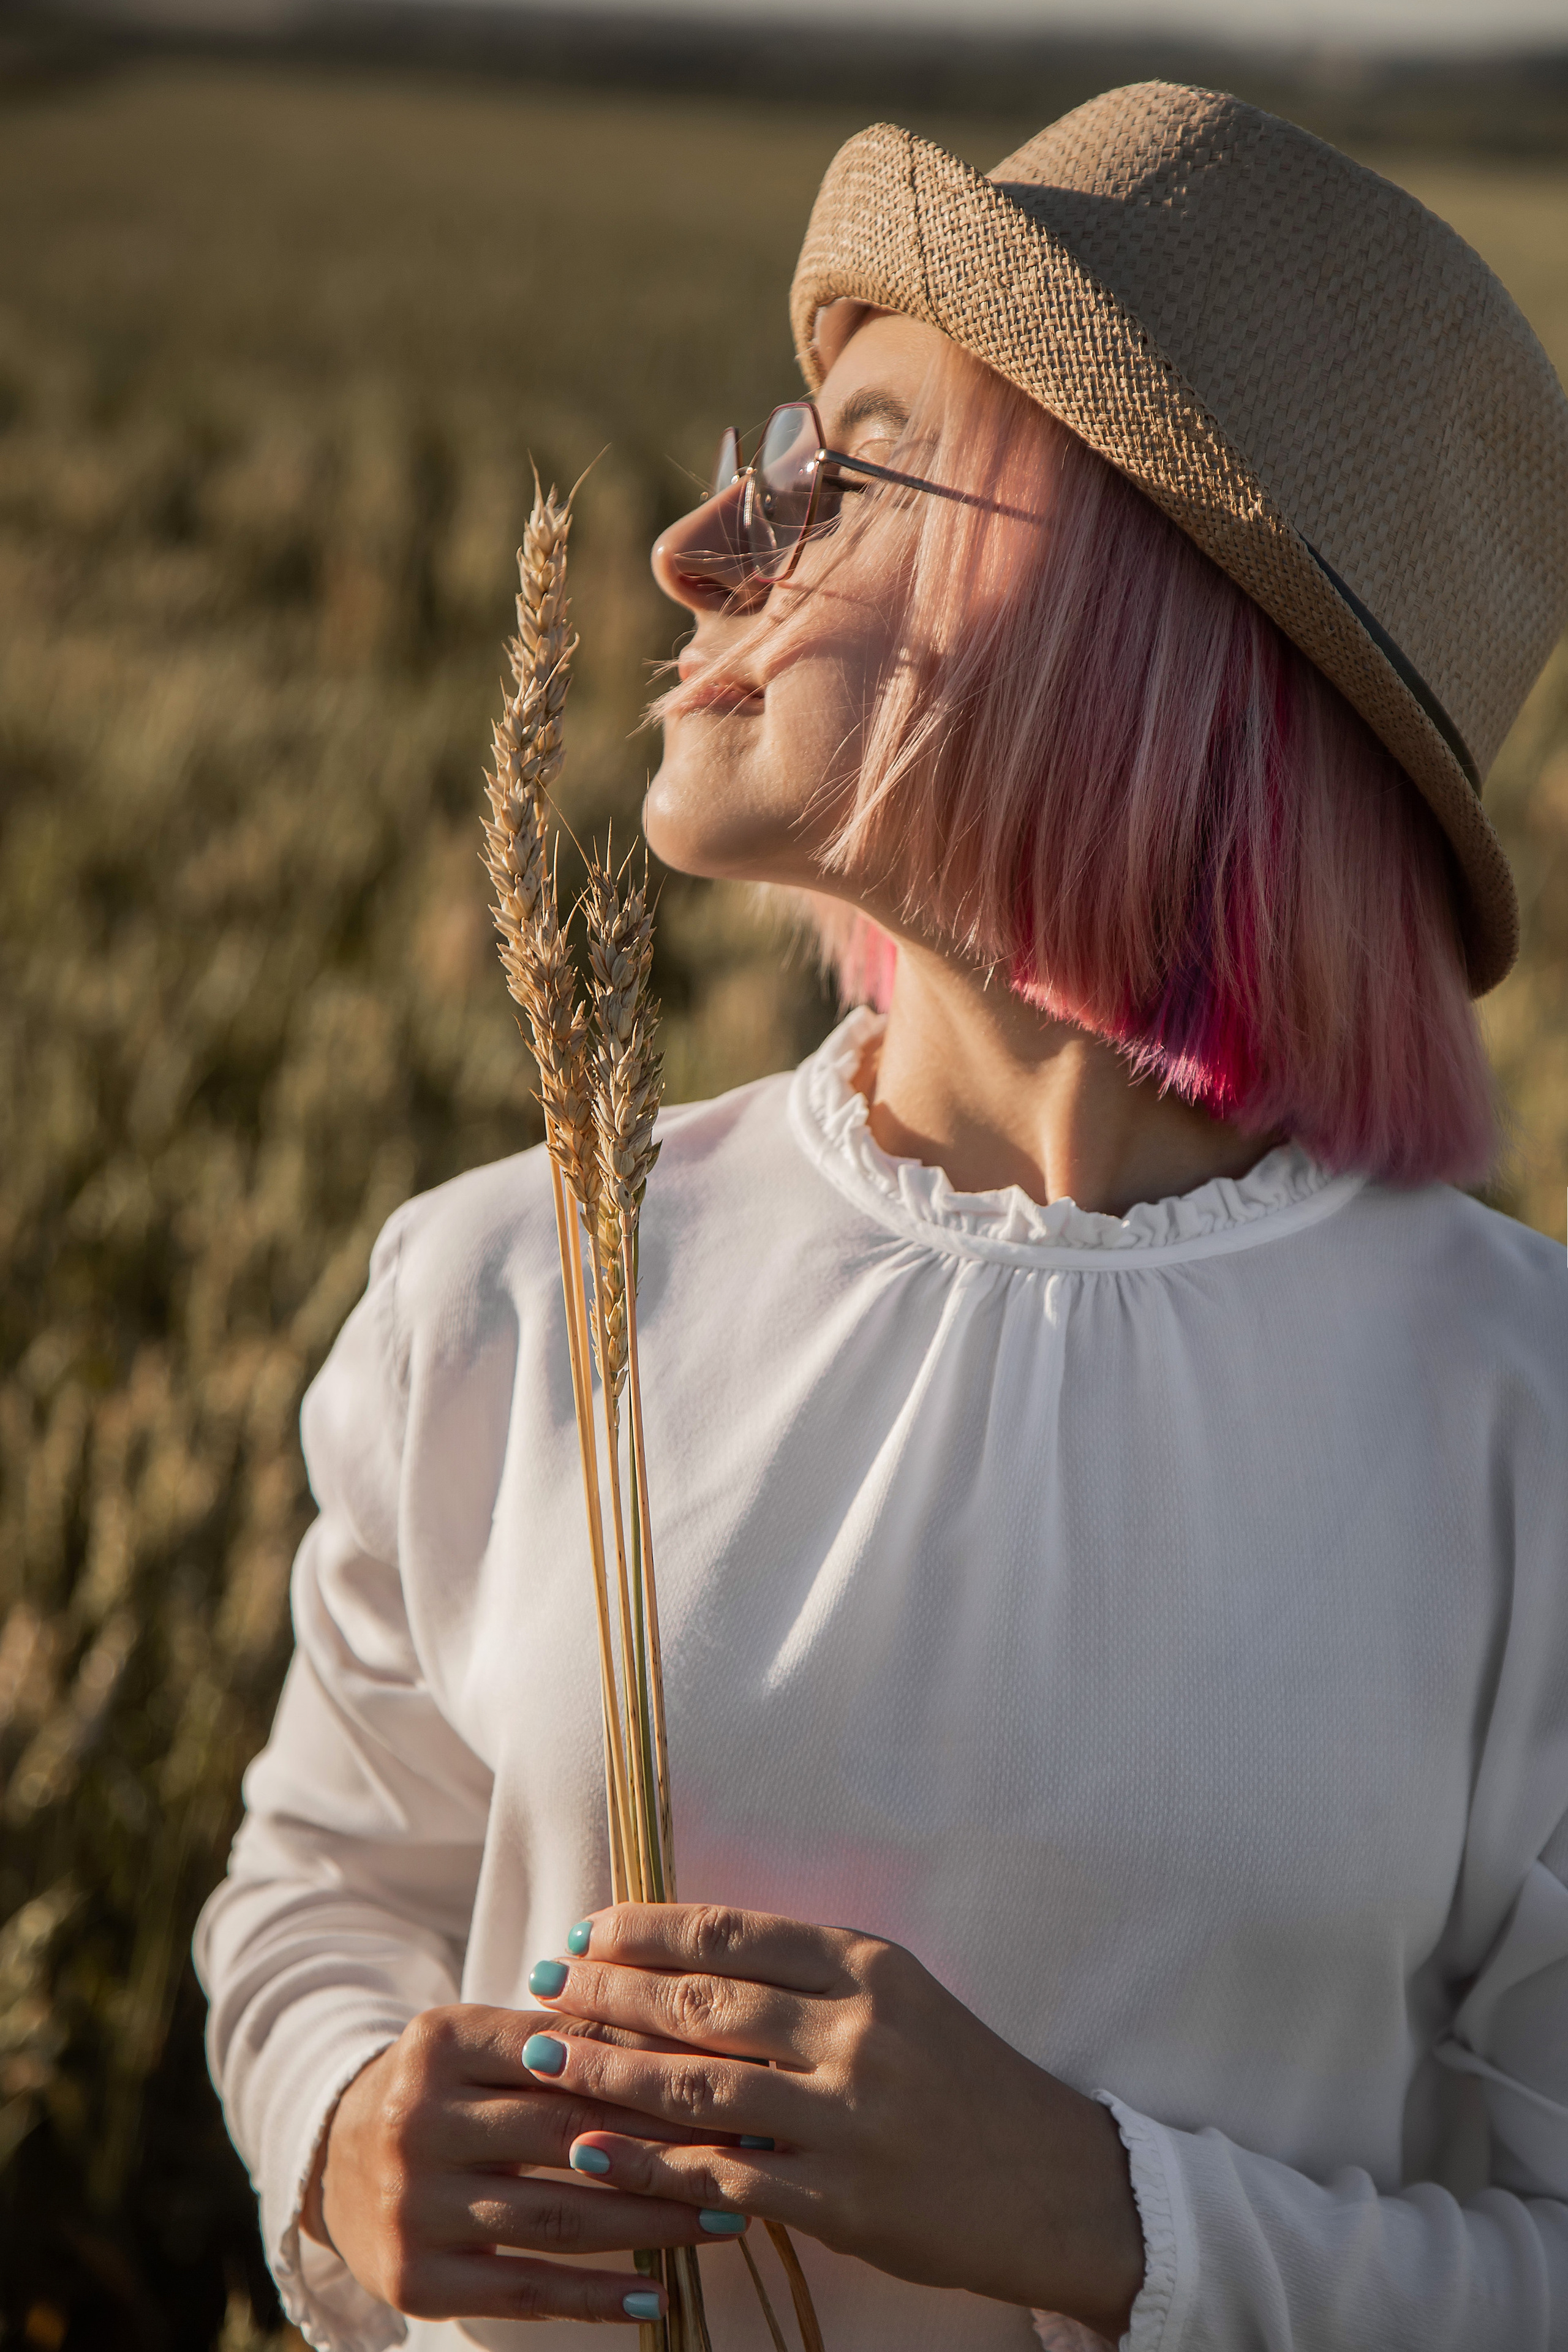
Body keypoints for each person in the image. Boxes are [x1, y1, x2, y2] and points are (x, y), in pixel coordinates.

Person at [195, 82, 1568, 2352]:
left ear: (1129, 602)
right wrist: (343, 2124)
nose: (694, 546)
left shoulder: (1524, 1425)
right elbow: (325, 1886)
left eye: (843, 459)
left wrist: (1107, 2213)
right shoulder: (512, 1282)